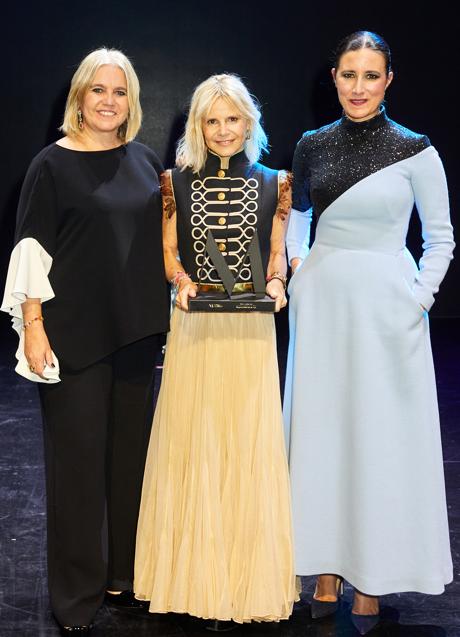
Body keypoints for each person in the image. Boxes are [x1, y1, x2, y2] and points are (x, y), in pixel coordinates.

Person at [284, 31, 454, 634]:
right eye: (349, 74)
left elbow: (441, 237)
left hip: (387, 309)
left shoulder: (415, 149)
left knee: (379, 438)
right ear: (333, 76)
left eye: (371, 76)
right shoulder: (311, 145)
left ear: (388, 80)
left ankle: (372, 578)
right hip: (323, 305)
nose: (358, 87)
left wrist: (417, 300)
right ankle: (324, 568)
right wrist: (300, 269)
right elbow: (297, 214)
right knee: (322, 433)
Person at [1, 48, 169, 634]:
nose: (108, 100)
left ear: (132, 100)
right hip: (72, 337)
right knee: (76, 470)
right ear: (78, 97)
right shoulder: (51, 165)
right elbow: (30, 252)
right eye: (97, 90)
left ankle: (124, 577)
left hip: (136, 335)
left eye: (119, 91)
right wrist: (35, 329)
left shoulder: (146, 161)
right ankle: (76, 595)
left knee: (130, 465)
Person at [134, 73, 297, 627]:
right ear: (198, 127)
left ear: (248, 122)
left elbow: (276, 255)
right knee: (196, 439)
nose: (223, 130)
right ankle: (191, 578)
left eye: (233, 119)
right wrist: (180, 281)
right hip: (196, 331)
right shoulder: (175, 183)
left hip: (250, 336)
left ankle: (244, 578)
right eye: (212, 120)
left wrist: (277, 286)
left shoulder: (276, 182)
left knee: (246, 443)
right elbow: (167, 255)